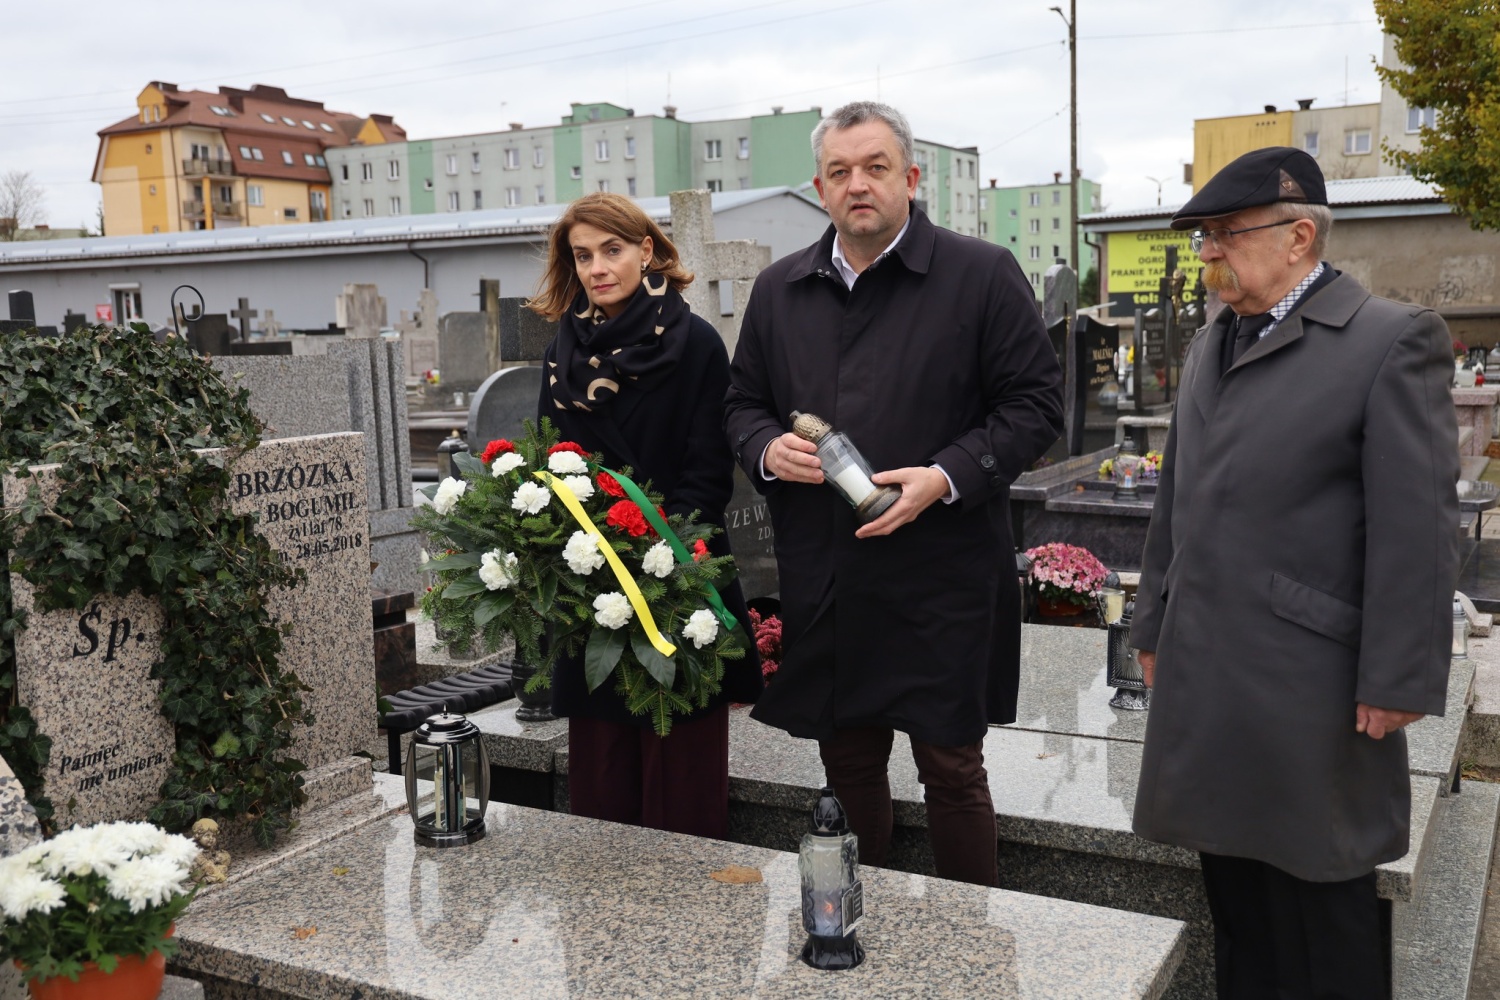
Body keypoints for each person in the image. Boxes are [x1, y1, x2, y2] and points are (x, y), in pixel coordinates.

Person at [1130, 146, 1458, 999]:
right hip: (1210, 666)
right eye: (1204, 236)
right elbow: (1177, 498)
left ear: (1299, 237)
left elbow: (1417, 528)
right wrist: (1151, 624)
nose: (1208, 253)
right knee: (1235, 893)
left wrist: (1399, 676)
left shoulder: (1389, 339)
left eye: (1225, 234)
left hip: (1311, 676)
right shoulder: (1214, 340)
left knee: (1320, 892)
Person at [722, 101, 1063, 887]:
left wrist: (944, 476)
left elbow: (1035, 405)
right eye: (839, 172)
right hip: (829, 573)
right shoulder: (780, 289)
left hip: (941, 571)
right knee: (847, 763)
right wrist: (766, 448)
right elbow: (742, 403)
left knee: (951, 767)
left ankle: (965, 936)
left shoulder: (980, 274)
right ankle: (854, 925)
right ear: (820, 189)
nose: (858, 185)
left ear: (909, 178)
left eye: (875, 168)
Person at [527, 192, 762, 839]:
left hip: (678, 572)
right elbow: (556, 465)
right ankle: (606, 901)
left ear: (647, 250)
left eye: (612, 250)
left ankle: (686, 901)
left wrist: (655, 558)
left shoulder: (696, 343)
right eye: (583, 256)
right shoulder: (563, 352)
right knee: (602, 779)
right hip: (592, 583)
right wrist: (591, 552)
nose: (598, 268)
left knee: (682, 778)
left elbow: (707, 472)